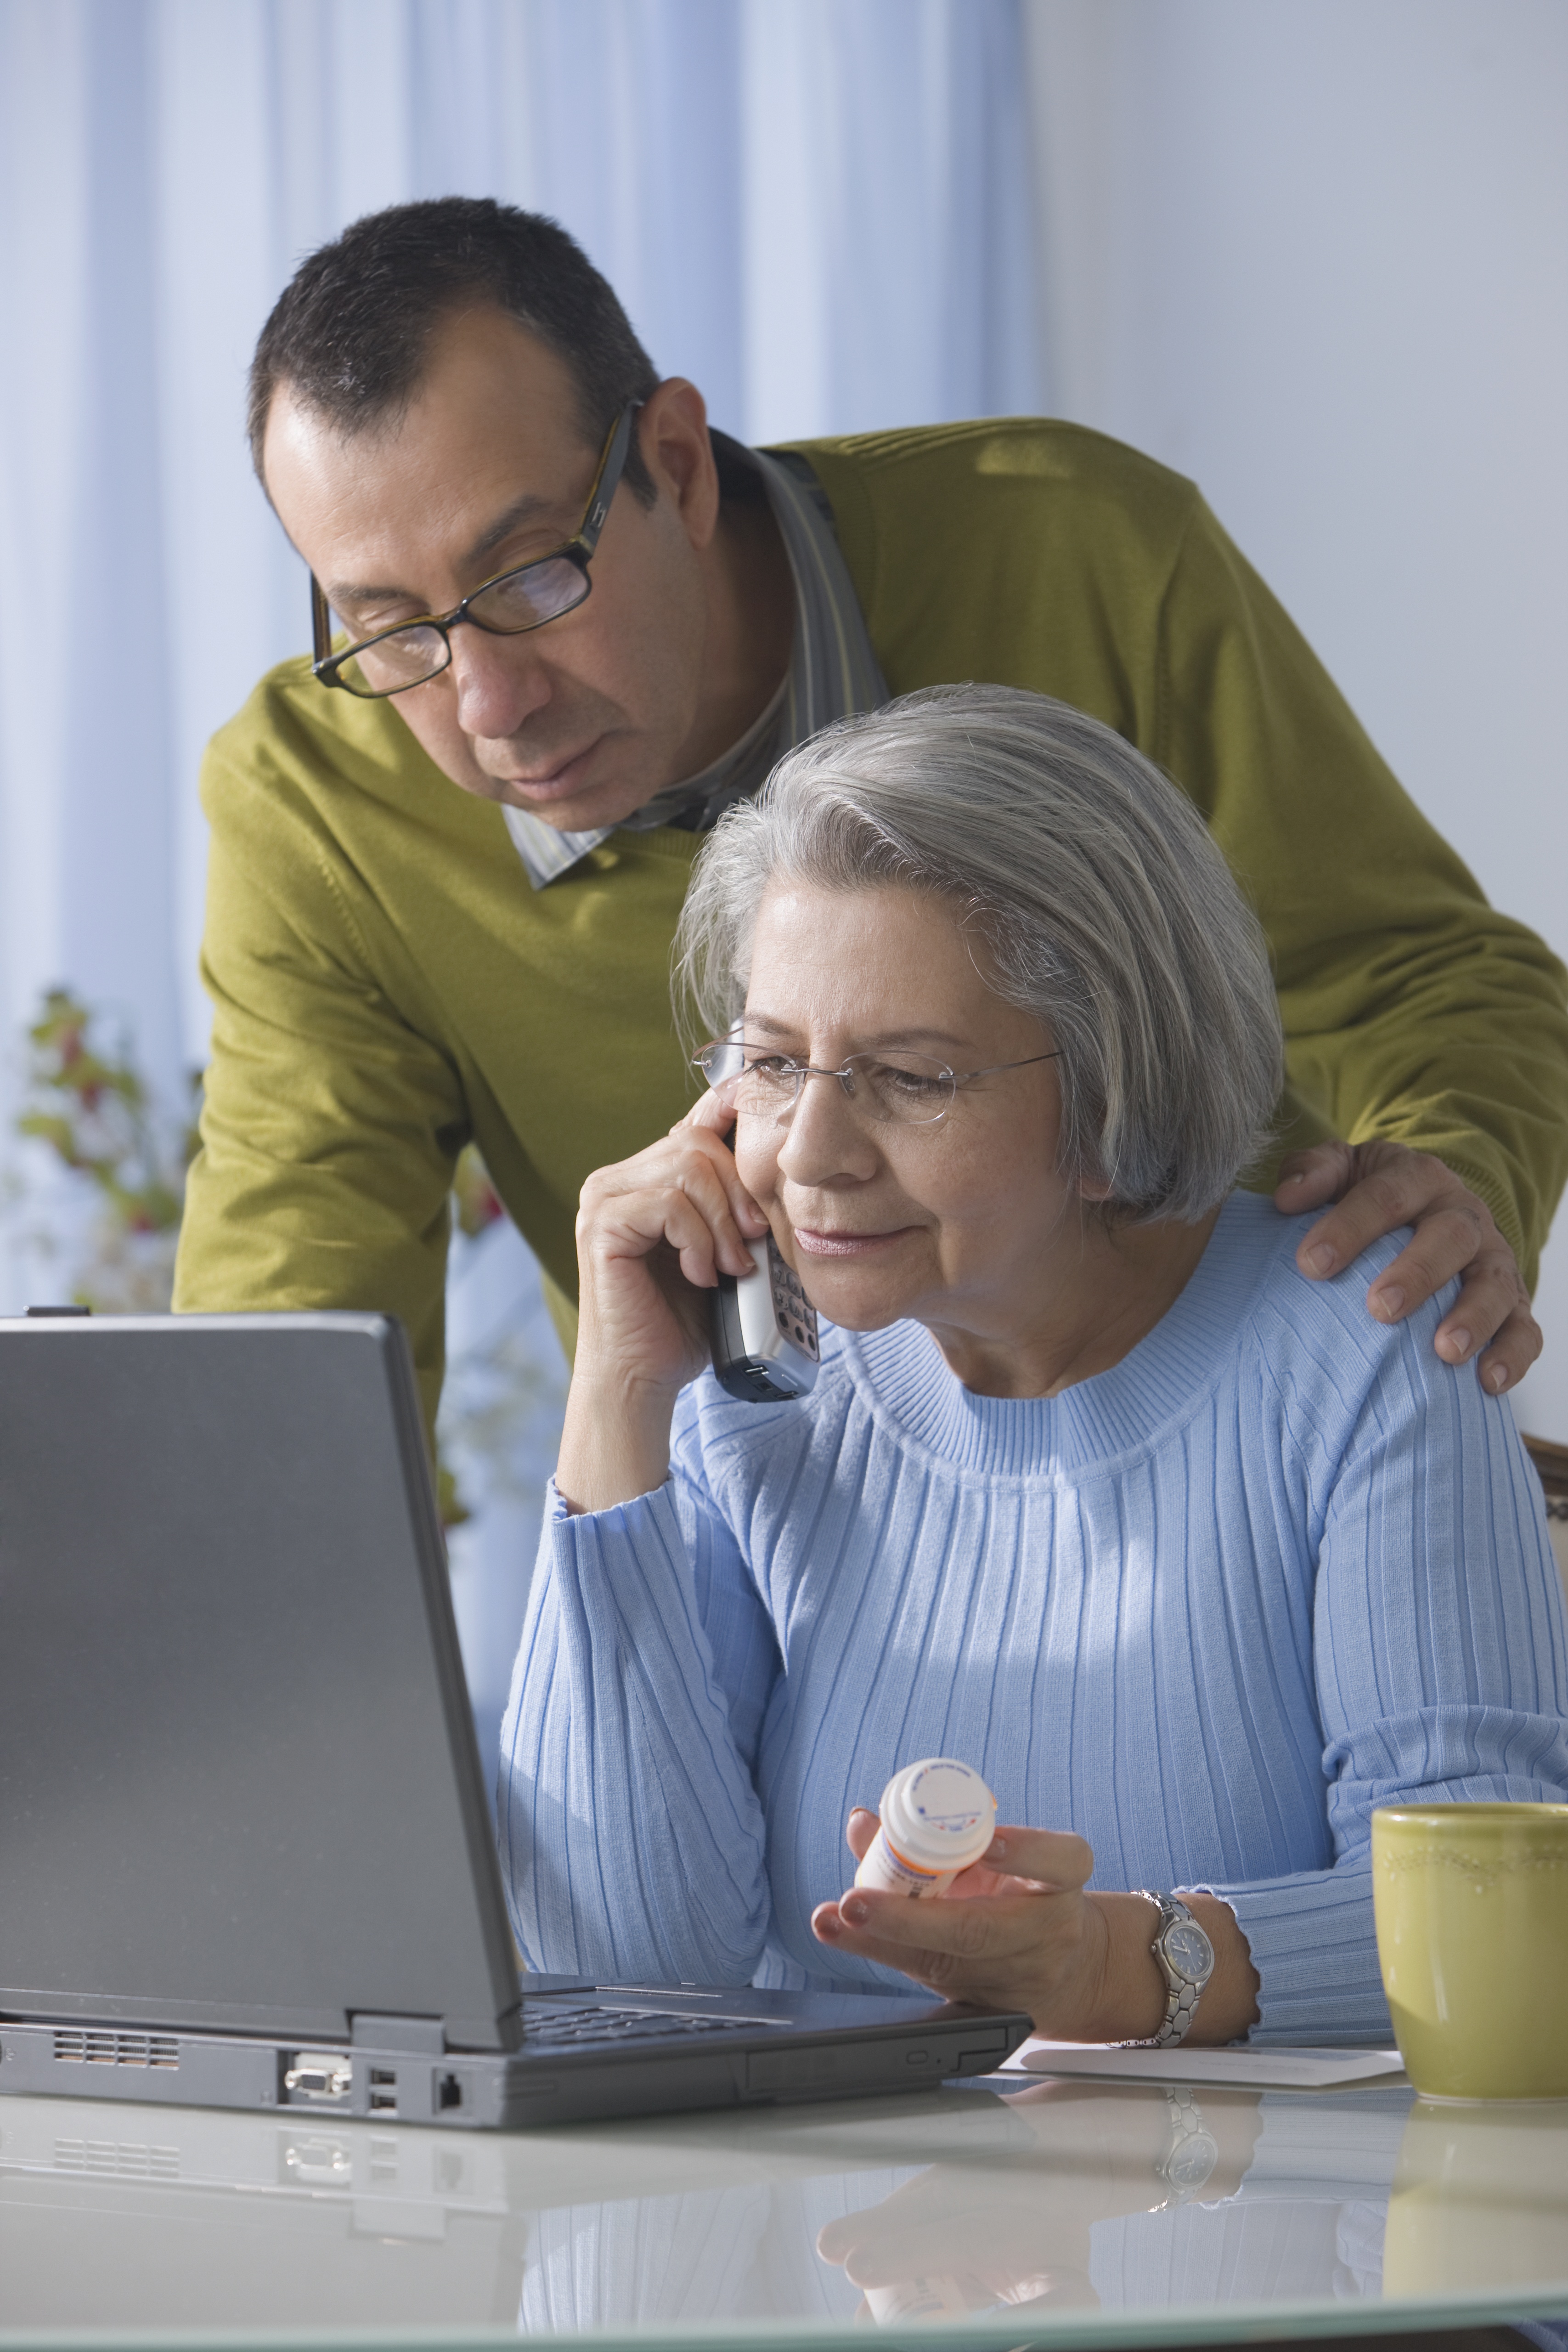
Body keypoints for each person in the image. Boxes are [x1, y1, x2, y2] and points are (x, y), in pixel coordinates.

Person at [173, 197, 1568, 1433]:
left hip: (1249, 1477)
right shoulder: (315, 805)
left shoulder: (1080, 551)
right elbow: (282, 1367)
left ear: (676, 457)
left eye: (531, 577)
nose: (487, 706)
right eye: (388, 630)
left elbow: (1428, 982)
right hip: (770, 1584)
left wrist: (1450, 1182)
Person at [498, 686, 1568, 2041]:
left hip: (1262, 2235)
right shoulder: (750, 1397)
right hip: (812, 2233)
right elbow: (628, 1973)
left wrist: (1110, 1969)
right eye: (771, 1063)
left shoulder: (1359, 1353)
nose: (812, 1154)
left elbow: (1490, 1929)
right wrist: (616, 1407)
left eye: (912, 1077)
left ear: (1118, 1088)